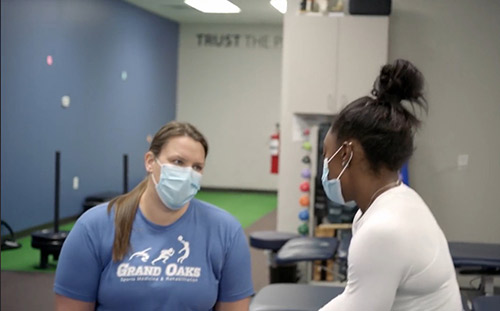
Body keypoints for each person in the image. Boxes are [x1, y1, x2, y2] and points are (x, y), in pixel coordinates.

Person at [54, 121, 254, 311]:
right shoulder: (94, 227)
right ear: (150, 161)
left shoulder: (225, 231)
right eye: (178, 162)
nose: (188, 174)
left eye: (196, 167)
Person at [319, 59, 462, 310]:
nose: (325, 167)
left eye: (326, 155)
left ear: (346, 154)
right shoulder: (396, 200)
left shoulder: (383, 230)